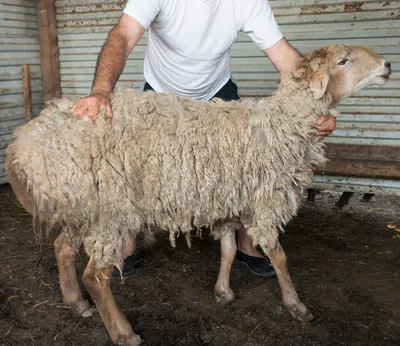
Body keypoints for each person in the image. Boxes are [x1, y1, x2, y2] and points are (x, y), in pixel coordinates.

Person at [70, 0, 336, 277]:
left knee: (250, 163)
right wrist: (101, 89)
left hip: (216, 94)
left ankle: (248, 243)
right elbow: (123, 35)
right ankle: (122, 243)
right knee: (133, 161)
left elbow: (287, 60)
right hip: (162, 95)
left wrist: (317, 108)